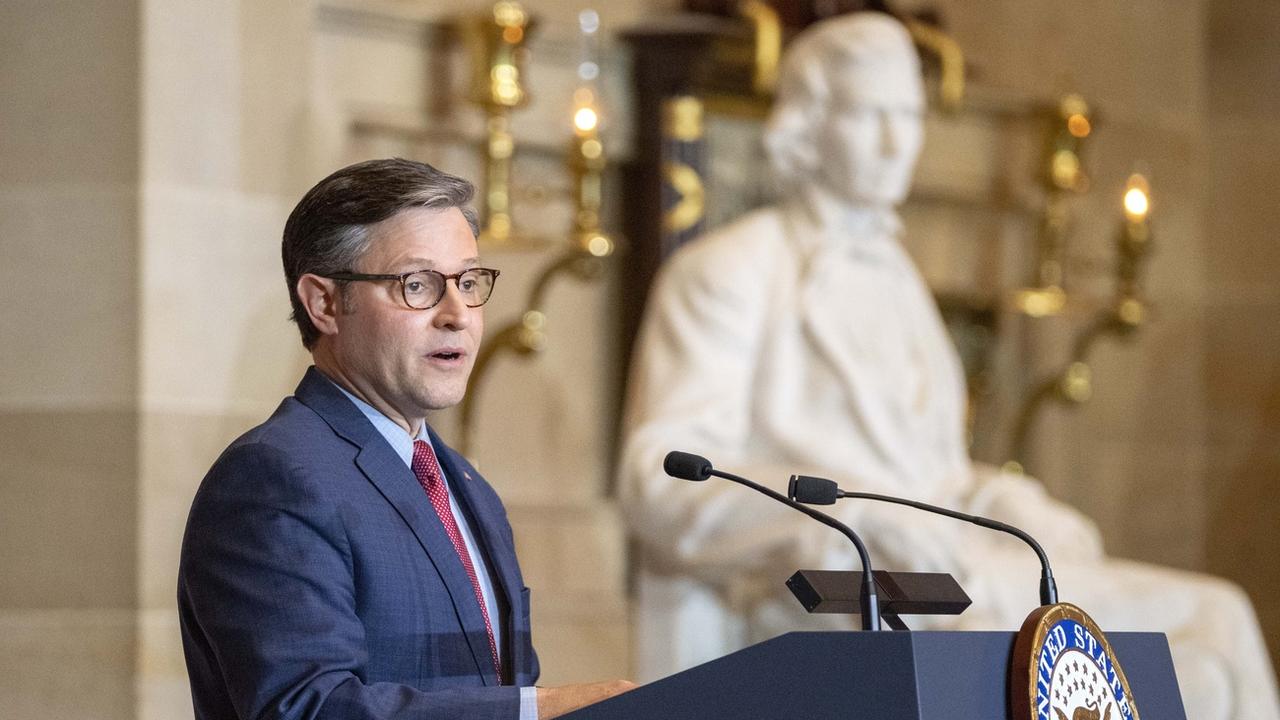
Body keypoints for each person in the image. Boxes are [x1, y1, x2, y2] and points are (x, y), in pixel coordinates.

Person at [618, 13, 1280, 720]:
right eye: (870, 114)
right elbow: (659, 479)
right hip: (833, 585)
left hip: (959, 566)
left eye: (909, 114)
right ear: (809, 123)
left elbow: (935, 474)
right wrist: (851, 516)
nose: (896, 141)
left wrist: (1003, 500)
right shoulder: (728, 270)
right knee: (1178, 665)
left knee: (1219, 624)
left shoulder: (899, 279)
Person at [178, 158, 634, 720]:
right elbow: (306, 709)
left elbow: (495, 684)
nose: (458, 314)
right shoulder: (273, 479)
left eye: (468, 282)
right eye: (417, 285)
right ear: (324, 303)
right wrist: (535, 711)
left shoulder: (467, 486)